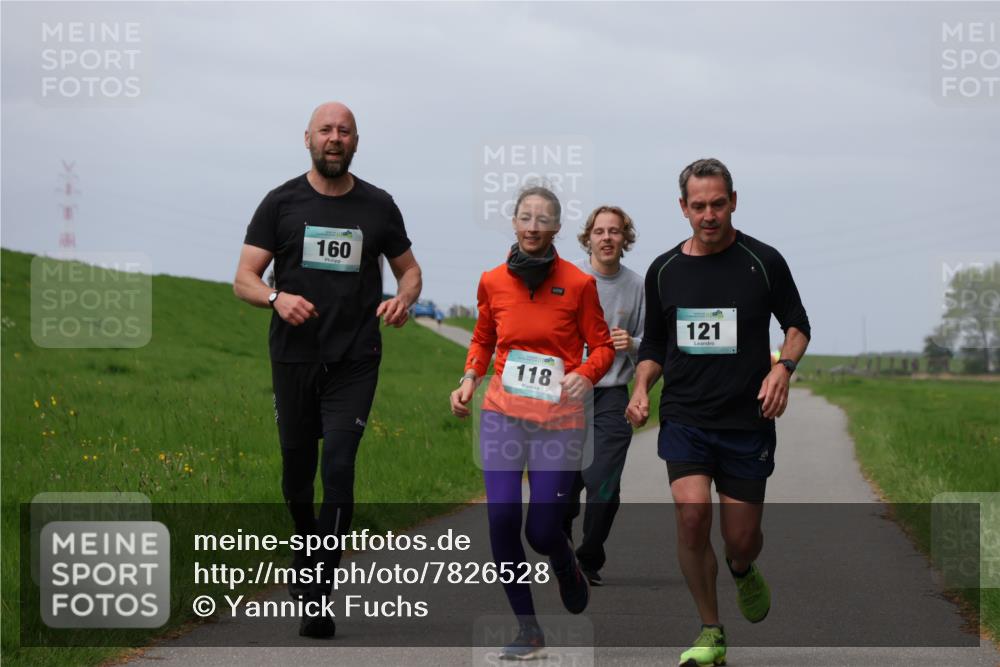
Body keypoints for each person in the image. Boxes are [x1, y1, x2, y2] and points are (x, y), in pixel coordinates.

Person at [233, 101, 422, 638]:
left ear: (356, 141)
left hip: (355, 358)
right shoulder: (281, 202)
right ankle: (303, 538)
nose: (334, 138)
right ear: (308, 139)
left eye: (344, 131)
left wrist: (404, 299)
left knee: (337, 466)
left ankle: (319, 591)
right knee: (297, 474)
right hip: (293, 357)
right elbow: (244, 277)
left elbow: (410, 272)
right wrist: (275, 298)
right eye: (325, 130)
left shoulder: (379, 206)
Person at [626, 159, 810, 667]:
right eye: (699, 206)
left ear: (734, 201)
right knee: (690, 516)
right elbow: (655, 346)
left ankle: (742, 568)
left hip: (746, 420)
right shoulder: (664, 270)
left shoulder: (763, 261)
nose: (709, 215)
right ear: (682, 207)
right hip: (685, 416)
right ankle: (711, 630)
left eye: (718, 204)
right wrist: (641, 388)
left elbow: (797, 325)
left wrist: (782, 370)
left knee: (741, 539)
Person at [450, 186, 614, 660]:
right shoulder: (492, 280)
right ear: (515, 223)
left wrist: (585, 374)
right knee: (502, 520)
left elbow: (601, 347)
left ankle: (565, 561)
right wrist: (468, 379)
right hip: (503, 414)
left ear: (557, 228)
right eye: (525, 217)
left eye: (544, 219)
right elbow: (483, 338)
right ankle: (528, 629)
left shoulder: (579, 285)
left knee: (541, 530)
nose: (533, 225)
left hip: (558, 421)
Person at [563, 205, 645, 586]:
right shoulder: (567, 277)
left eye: (615, 231)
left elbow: (654, 347)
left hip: (611, 396)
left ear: (624, 239)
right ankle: (561, 552)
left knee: (603, 485)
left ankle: (588, 559)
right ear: (589, 237)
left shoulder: (637, 286)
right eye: (600, 231)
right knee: (562, 488)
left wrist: (633, 342)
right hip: (565, 395)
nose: (607, 238)